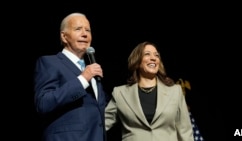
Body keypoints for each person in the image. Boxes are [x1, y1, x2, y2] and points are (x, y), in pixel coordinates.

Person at [34, 12, 107, 141]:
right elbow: (44, 103)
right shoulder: (50, 62)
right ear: (64, 37)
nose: (85, 34)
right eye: (78, 29)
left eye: (88, 30)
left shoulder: (92, 69)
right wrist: (83, 79)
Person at [105, 41, 194, 141]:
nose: (153, 58)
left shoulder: (175, 91)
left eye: (157, 55)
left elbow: (185, 131)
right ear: (137, 61)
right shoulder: (120, 93)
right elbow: (101, 125)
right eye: (147, 54)